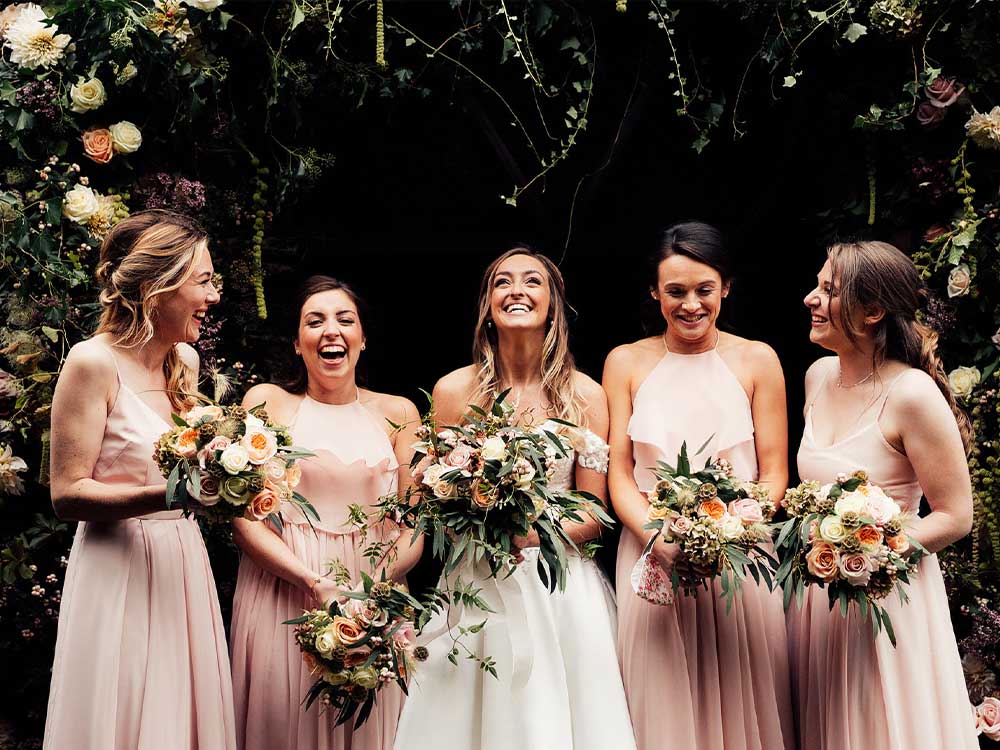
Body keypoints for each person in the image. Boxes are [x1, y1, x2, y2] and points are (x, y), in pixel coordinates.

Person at [394, 247, 635, 750]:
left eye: (532, 282)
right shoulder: (453, 392)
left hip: (561, 586)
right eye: (503, 282)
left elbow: (594, 511)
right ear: (487, 304)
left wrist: (532, 536)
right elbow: (431, 498)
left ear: (553, 304)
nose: (516, 291)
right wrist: (474, 522)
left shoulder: (586, 395)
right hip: (477, 582)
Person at [44, 209, 235, 749]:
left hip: (181, 561)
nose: (213, 296)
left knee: (179, 711)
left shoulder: (186, 363)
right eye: (204, 281)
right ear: (158, 285)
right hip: (118, 566)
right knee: (121, 706)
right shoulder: (91, 363)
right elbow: (67, 493)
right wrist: (176, 494)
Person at [604, 221, 794, 750]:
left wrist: (733, 530)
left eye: (704, 290)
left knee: (746, 690)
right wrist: (657, 538)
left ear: (726, 287)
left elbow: (774, 468)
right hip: (650, 549)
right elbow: (619, 473)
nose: (691, 305)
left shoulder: (758, 359)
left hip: (741, 551)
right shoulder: (624, 362)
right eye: (675, 292)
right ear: (654, 293)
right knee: (660, 695)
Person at [789, 240, 978, 749]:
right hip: (819, 599)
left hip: (887, 599)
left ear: (872, 311)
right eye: (818, 283)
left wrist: (872, 549)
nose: (811, 297)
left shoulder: (912, 394)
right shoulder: (817, 377)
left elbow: (956, 516)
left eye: (829, 290)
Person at [229, 275, 422, 750]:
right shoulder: (267, 402)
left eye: (345, 319)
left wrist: (367, 592)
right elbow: (242, 517)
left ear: (363, 338)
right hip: (282, 588)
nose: (330, 330)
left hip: (374, 593)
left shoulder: (399, 413)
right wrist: (310, 581)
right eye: (314, 322)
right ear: (297, 343)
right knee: (280, 722)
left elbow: (416, 523)